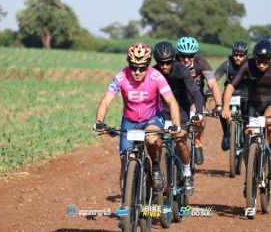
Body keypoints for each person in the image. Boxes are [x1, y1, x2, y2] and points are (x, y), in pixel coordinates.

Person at [94, 42, 181, 192]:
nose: (138, 71)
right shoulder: (121, 77)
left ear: (148, 65)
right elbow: (105, 100)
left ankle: (155, 167)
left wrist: (176, 124)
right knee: (125, 162)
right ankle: (127, 204)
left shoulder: (156, 76)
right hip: (129, 121)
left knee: (153, 138)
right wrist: (99, 121)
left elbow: (171, 101)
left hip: (152, 118)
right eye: (134, 67)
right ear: (129, 64)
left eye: (142, 68)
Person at [221, 38, 271, 176]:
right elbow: (231, 86)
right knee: (247, 137)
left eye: (265, 62)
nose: (261, 65)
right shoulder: (247, 65)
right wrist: (226, 107)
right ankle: (249, 178)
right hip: (253, 103)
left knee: (269, 122)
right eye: (258, 61)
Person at [153, 41, 205, 196]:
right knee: (155, 140)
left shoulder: (181, 69)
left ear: (173, 60)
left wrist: (198, 113)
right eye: (161, 63)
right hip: (161, 109)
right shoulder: (154, 72)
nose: (164, 67)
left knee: (180, 140)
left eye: (168, 63)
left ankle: (187, 173)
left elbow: (196, 93)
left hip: (181, 108)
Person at [176, 36, 223, 165]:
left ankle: (197, 142)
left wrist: (219, 105)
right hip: (179, 96)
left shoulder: (201, 62)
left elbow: (212, 84)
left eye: (190, 56)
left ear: (194, 55)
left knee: (199, 118)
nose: (186, 59)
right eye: (182, 56)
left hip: (195, 96)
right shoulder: (173, 60)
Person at [214, 40, 249, 151]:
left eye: (241, 55)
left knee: (247, 117)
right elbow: (215, 78)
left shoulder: (250, 64)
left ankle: (246, 138)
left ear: (246, 55)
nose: (238, 57)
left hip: (246, 94)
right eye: (235, 54)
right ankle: (226, 134)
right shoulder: (227, 64)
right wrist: (209, 90)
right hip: (230, 94)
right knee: (221, 110)